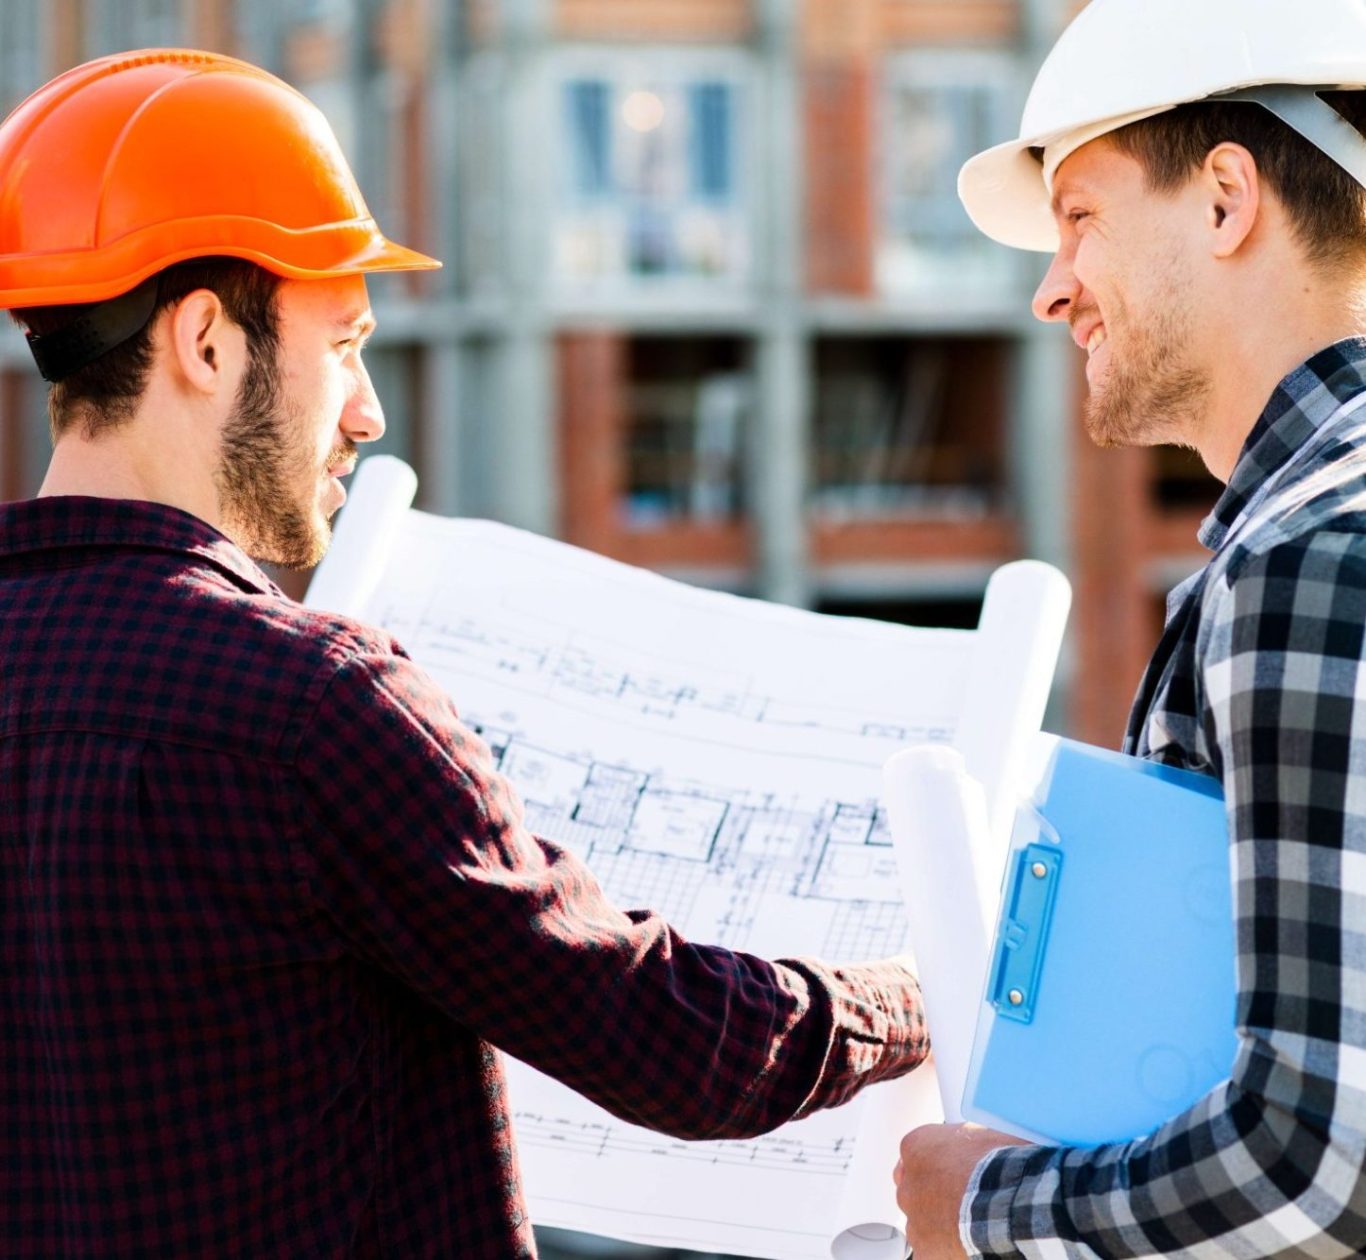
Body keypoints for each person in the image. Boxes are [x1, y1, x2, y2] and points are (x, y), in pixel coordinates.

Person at [0, 50, 930, 1258]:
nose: (367, 410)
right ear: (206, 343)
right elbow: (678, 1050)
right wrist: (909, 997)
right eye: (344, 341)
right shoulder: (313, 708)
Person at [894, 0, 1366, 1256]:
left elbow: (1319, 1169)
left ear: (1223, 200)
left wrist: (984, 1213)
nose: (1052, 290)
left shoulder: (1312, 556)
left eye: (1079, 219)